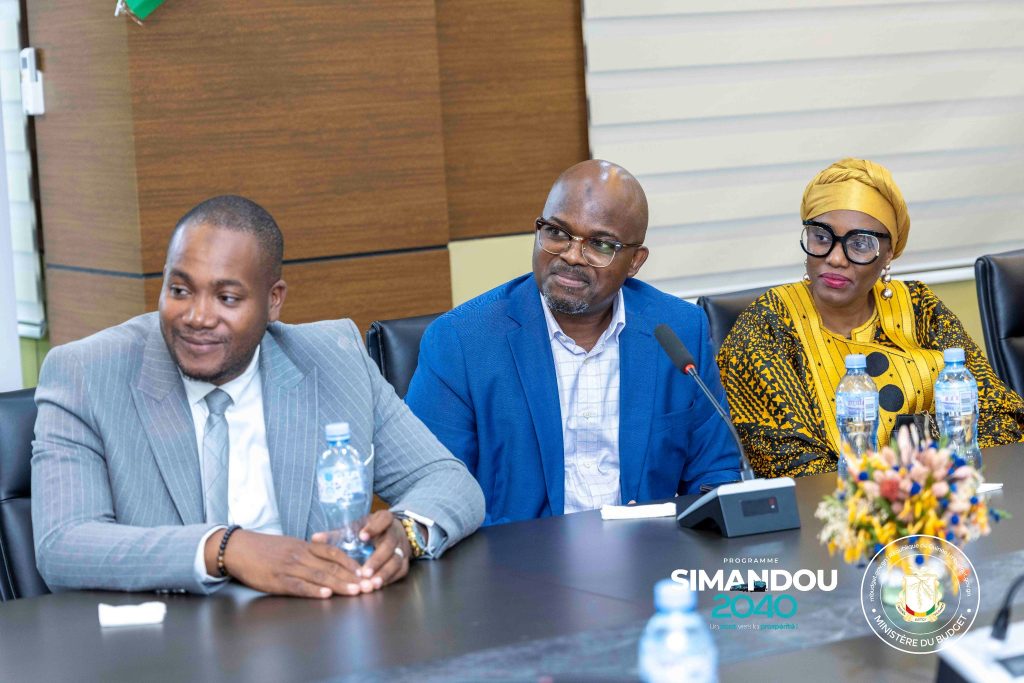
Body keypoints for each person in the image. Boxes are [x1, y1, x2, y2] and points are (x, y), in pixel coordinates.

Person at [32, 195, 484, 596]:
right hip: (166, 643)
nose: (197, 317)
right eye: (180, 290)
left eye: (227, 298)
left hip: (315, 631)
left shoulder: (333, 359)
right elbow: (63, 544)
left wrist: (406, 532)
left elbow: (448, 480)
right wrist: (224, 548)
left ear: (273, 301)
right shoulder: (87, 374)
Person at [405, 160, 741, 525]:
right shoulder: (460, 342)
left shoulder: (678, 330)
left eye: (599, 244)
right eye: (557, 232)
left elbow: (715, 470)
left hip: (650, 550)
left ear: (634, 261)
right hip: (516, 556)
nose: (571, 255)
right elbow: (433, 489)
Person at [717, 158, 1024, 478]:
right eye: (821, 237)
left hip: (944, 495)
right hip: (834, 502)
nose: (836, 258)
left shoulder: (920, 307)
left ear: (888, 254)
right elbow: (786, 460)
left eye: (860, 244)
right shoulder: (768, 325)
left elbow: (997, 417)